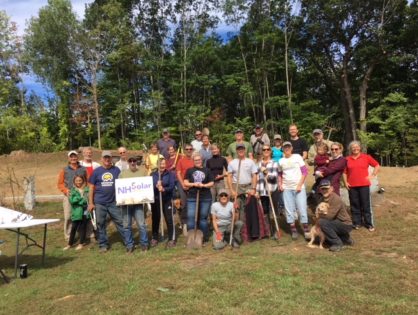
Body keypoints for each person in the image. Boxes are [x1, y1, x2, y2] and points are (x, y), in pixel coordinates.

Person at [88, 151, 133, 253]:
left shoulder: (116, 170)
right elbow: (91, 187)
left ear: (111, 158)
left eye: (108, 158)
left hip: (114, 202)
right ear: (101, 159)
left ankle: (128, 242)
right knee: (101, 223)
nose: (107, 160)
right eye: (105, 158)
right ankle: (103, 244)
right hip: (100, 203)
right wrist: (91, 203)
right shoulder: (96, 171)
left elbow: (123, 183)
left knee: (120, 222)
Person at [344, 141, 380, 232]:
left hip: (364, 185)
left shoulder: (366, 157)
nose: (355, 148)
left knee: (366, 205)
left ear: (360, 148)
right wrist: (345, 182)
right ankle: (357, 222)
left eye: (357, 147)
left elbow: (377, 165)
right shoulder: (347, 159)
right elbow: (344, 172)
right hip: (352, 185)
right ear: (350, 149)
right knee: (354, 204)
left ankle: (369, 224)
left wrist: (372, 175)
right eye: (353, 147)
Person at [278, 141, 310, 240]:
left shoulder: (297, 157)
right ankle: (293, 230)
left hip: (298, 188)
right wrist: (280, 184)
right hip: (286, 188)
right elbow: (280, 174)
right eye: (285, 147)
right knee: (289, 209)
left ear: (291, 148)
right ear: (282, 149)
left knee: (302, 209)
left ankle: (305, 230)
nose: (287, 149)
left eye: (288, 147)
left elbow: (304, 171)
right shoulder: (281, 161)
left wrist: (300, 185)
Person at [119, 156, 149, 251]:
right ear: (128, 162)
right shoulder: (123, 173)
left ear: (136, 162)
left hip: (138, 203)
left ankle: (144, 244)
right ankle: (129, 245)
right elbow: (119, 188)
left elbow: (147, 185)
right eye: (130, 161)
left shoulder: (142, 172)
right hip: (126, 204)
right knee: (126, 225)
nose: (132, 162)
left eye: (134, 161)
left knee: (141, 224)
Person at [57, 150, 88, 241]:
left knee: (83, 215)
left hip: (82, 195)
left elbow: (88, 180)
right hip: (69, 196)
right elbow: (60, 183)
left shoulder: (83, 169)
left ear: (78, 158)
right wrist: (66, 190)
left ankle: (84, 235)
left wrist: (86, 190)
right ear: (69, 158)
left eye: (75, 156)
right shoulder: (64, 170)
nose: (73, 158)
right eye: (71, 157)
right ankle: (68, 237)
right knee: (68, 216)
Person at [184, 153, 214, 244]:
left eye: (199, 160)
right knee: (191, 217)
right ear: (193, 161)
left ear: (202, 160)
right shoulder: (189, 170)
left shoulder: (207, 170)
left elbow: (212, 183)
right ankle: (191, 237)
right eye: (196, 160)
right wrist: (193, 184)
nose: (198, 161)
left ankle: (203, 237)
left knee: (203, 218)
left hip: (205, 197)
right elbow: (185, 182)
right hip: (192, 197)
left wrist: (203, 185)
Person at [317, 180, 354, 252]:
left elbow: (329, 216)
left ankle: (337, 244)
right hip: (335, 222)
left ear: (331, 189)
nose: (324, 190)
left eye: (326, 188)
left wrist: (319, 215)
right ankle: (345, 239)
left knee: (322, 222)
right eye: (322, 189)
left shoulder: (336, 199)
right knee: (322, 223)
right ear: (320, 190)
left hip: (345, 224)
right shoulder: (321, 199)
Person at [227, 144, 258, 227]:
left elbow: (254, 175)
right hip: (236, 187)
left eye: (242, 149)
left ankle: (248, 229)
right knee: (236, 208)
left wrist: (253, 188)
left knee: (248, 208)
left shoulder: (250, 161)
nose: (240, 150)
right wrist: (231, 190)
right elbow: (229, 177)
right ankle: (238, 229)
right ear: (236, 151)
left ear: (245, 150)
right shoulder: (232, 163)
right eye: (239, 149)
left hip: (248, 186)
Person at [151, 159, 177, 248]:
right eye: (160, 164)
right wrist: (156, 185)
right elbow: (149, 186)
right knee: (155, 220)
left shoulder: (170, 174)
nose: (162, 166)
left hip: (167, 199)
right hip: (156, 200)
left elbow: (172, 185)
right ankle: (154, 238)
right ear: (157, 165)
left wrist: (164, 189)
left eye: (163, 164)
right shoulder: (153, 175)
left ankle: (171, 239)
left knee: (169, 220)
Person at [256, 145, 279, 237]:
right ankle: (268, 230)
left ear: (270, 151)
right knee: (265, 211)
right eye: (264, 149)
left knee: (274, 210)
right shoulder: (259, 163)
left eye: (267, 149)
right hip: (262, 190)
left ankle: (276, 230)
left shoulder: (274, 163)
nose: (266, 151)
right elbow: (257, 178)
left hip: (272, 189)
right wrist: (257, 191)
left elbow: (274, 177)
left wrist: (266, 172)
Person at [63, 174, 90, 250]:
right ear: (74, 182)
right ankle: (69, 244)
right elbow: (72, 200)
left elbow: (87, 200)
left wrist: (79, 200)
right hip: (76, 212)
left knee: (83, 227)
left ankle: (81, 243)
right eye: (77, 180)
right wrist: (82, 200)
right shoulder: (72, 190)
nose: (79, 182)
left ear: (83, 181)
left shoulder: (87, 190)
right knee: (74, 227)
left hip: (85, 211)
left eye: (80, 180)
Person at [176, 143, 195, 232]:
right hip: (182, 184)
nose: (188, 151)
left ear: (192, 150)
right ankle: (185, 223)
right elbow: (178, 173)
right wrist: (183, 184)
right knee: (184, 204)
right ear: (184, 150)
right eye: (187, 149)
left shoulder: (195, 160)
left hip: (192, 184)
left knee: (193, 204)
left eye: (190, 149)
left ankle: (193, 223)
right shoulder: (181, 161)